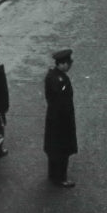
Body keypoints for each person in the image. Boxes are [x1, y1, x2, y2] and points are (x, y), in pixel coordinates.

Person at [44, 48, 78, 187]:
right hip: (62, 120)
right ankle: (61, 178)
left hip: (53, 118)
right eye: (68, 64)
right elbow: (62, 102)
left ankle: (53, 174)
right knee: (63, 150)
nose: (69, 66)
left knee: (53, 148)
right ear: (62, 64)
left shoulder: (51, 75)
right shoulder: (61, 80)